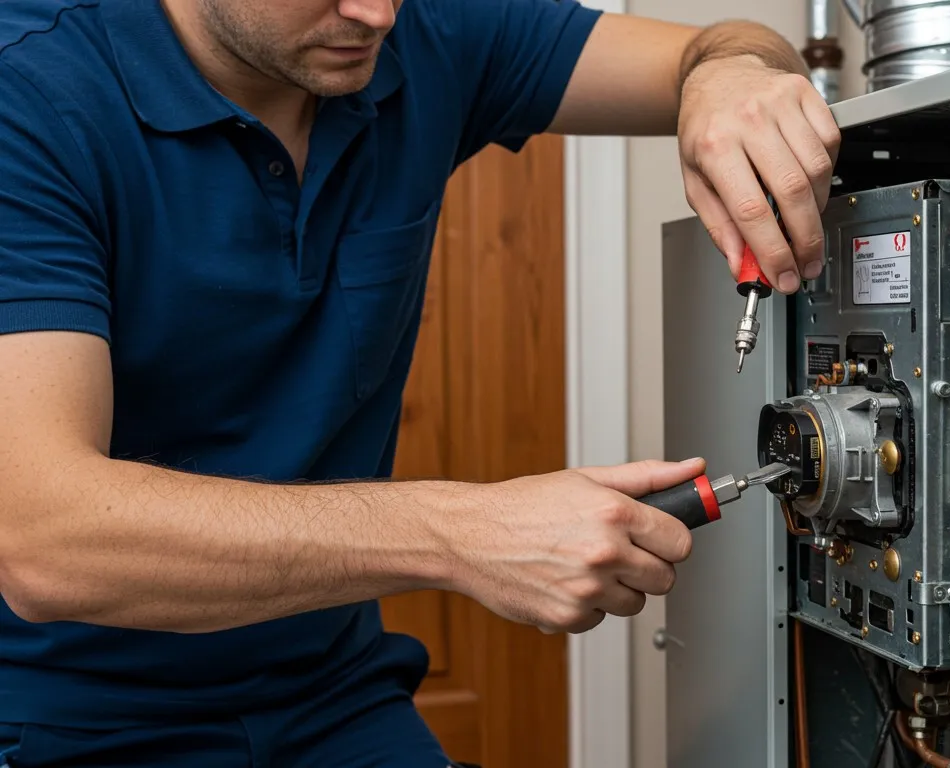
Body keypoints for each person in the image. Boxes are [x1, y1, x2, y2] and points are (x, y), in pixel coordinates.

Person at [0, 0, 840, 765]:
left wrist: (729, 75)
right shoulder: (29, 92)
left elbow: (719, 46)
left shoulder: (419, 31)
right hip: (67, 715)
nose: (375, 13)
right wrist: (458, 533)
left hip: (330, 698)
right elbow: (43, 540)